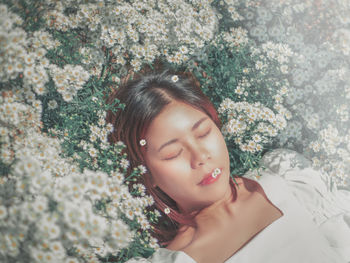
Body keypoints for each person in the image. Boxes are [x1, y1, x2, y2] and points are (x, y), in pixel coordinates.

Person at [106, 69, 350, 263]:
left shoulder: (290, 179)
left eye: (203, 133)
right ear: (144, 174)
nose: (200, 156)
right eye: (173, 153)